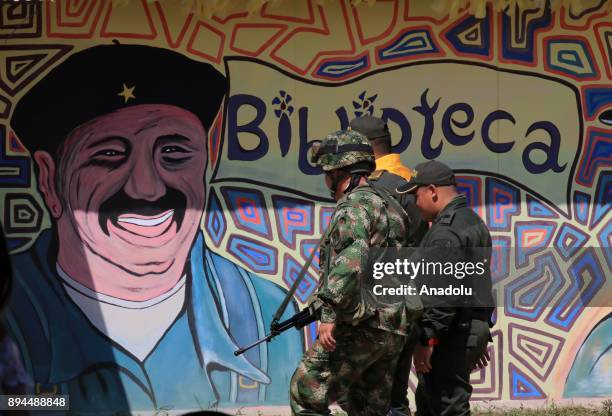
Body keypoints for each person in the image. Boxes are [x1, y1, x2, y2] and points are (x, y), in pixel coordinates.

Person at [4, 43, 303, 413]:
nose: (146, 188)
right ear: (49, 180)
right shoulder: (11, 315)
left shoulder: (265, 317)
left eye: (173, 153)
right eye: (109, 155)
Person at [290, 129, 417, 415]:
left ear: (340, 171)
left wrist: (329, 312)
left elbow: (351, 259)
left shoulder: (354, 206)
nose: (325, 181)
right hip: (393, 327)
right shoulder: (390, 207)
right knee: (368, 408)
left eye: (327, 172)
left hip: (362, 325)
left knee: (306, 392)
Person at [397, 160, 494, 416]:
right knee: (432, 404)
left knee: (446, 406)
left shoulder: (445, 234)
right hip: (466, 327)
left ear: (432, 190)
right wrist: (480, 331)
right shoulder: (472, 221)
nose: (415, 204)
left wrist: (427, 339)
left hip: (449, 335)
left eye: (416, 195)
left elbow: (442, 294)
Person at [349, 115, 428, 416]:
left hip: (375, 308)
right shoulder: (411, 181)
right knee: (394, 393)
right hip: (408, 302)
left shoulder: (373, 186)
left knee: (371, 397)